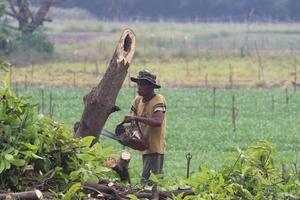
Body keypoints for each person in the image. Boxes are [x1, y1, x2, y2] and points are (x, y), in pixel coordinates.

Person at [124, 69, 166, 184]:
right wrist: (132, 136)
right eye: (138, 84)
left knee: (149, 183)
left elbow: (158, 121)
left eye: (142, 84)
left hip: (155, 148)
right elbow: (133, 123)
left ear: (150, 86)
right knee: (150, 182)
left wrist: (136, 118)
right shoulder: (137, 101)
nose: (139, 87)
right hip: (145, 148)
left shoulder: (158, 99)